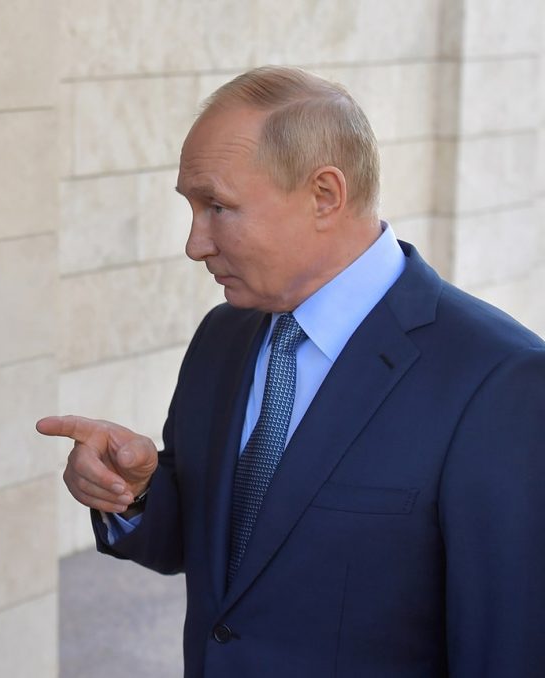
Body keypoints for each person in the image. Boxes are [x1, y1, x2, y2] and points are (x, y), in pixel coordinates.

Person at [38, 65, 545, 677]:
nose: (195, 243)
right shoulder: (222, 337)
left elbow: (507, 646)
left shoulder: (500, 381)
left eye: (218, 206)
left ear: (325, 196)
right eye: (191, 208)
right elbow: (217, 556)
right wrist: (136, 493)